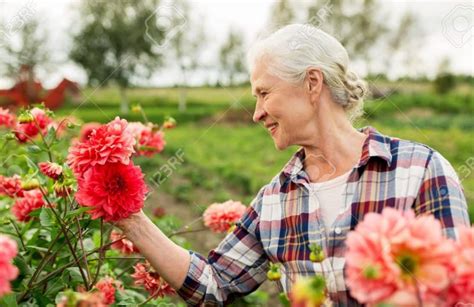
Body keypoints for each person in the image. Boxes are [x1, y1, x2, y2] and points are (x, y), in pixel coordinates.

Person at [115, 24, 470, 306]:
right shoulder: (274, 199)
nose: (256, 113)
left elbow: (457, 289)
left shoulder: (420, 171)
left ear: (312, 83)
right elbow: (214, 285)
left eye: (264, 93)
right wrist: (130, 218)